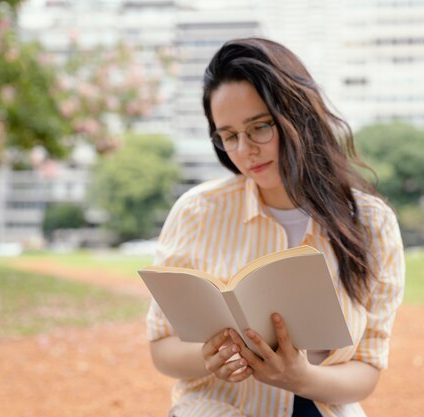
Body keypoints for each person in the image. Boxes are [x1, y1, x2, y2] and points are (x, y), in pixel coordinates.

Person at [146, 38, 405, 417]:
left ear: (298, 115)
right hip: (215, 409)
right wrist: (210, 357)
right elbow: (162, 346)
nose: (245, 150)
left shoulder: (371, 224)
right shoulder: (197, 212)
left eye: (260, 127)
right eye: (229, 136)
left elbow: (366, 368)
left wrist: (298, 377)